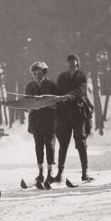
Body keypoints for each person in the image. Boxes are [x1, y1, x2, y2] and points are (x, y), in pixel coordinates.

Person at [55, 54, 93, 182]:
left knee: (81, 143)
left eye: (73, 61)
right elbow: (57, 91)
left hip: (79, 113)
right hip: (64, 114)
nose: (71, 64)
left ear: (77, 63)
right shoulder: (61, 77)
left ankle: (85, 173)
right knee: (63, 144)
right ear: (67, 64)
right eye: (69, 62)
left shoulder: (82, 76)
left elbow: (81, 90)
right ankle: (59, 174)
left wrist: (71, 95)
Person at [25, 61, 59, 186]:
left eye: (39, 73)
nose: (37, 76)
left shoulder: (51, 85)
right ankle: (40, 173)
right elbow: (26, 105)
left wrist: (49, 104)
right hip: (35, 122)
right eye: (34, 74)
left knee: (50, 146)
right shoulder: (29, 86)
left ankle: (50, 173)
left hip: (49, 120)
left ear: (44, 72)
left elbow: (57, 102)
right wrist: (32, 107)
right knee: (38, 147)